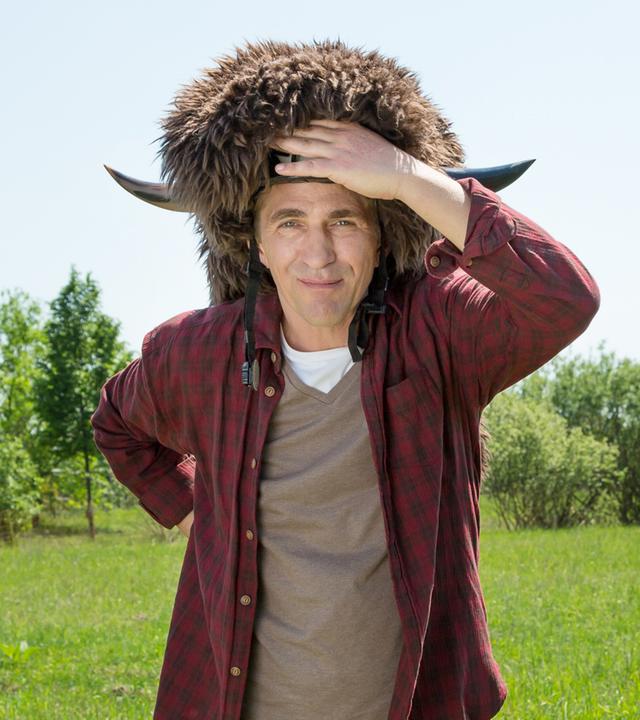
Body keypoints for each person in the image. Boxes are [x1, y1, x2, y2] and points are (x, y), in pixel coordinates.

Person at [91, 40, 600, 720]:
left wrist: (405, 175)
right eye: (290, 222)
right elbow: (116, 426)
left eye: (344, 220)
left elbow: (564, 299)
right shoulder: (198, 353)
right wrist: (192, 510)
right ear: (257, 244)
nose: (318, 254)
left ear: (381, 234)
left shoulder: (440, 333)